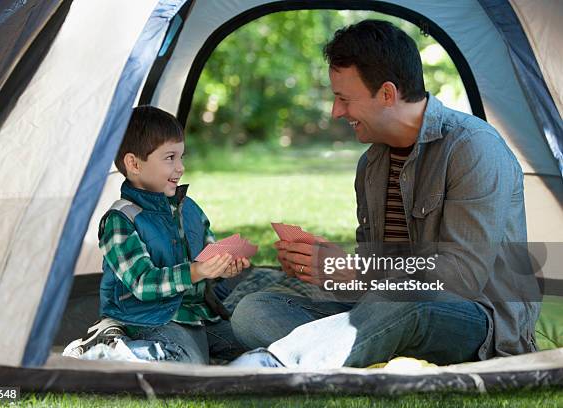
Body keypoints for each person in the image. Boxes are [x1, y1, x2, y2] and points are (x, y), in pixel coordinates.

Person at [230, 20, 540, 369]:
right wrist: (326, 270)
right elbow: (372, 281)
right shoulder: (372, 164)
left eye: (344, 99)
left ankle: (282, 361)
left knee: (405, 303)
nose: (336, 112)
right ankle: (354, 349)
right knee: (254, 311)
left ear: (388, 94)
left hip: (475, 321)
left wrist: (359, 271)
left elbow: (461, 278)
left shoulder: (474, 148)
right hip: (383, 309)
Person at [68, 106, 249, 364]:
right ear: (134, 164)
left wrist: (223, 267)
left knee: (247, 344)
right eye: (170, 158)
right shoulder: (121, 220)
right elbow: (142, 283)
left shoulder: (189, 209)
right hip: (144, 319)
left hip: (195, 315)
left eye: (181, 157)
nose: (180, 167)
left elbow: (208, 252)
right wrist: (197, 271)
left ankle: (180, 351)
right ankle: (102, 351)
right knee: (187, 363)